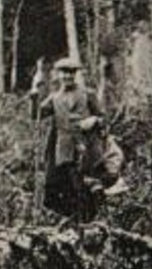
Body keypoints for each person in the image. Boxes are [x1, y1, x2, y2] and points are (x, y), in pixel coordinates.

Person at [38, 56, 105, 222]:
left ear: (75, 75)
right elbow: (37, 115)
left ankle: (89, 223)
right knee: (60, 190)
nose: (67, 77)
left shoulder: (87, 94)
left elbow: (103, 118)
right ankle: (74, 222)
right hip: (63, 150)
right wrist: (34, 93)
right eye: (63, 73)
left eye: (70, 73)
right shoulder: (54, 98)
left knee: (83, 188)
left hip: (86, 148)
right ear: (58, 75)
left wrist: (94, 120)